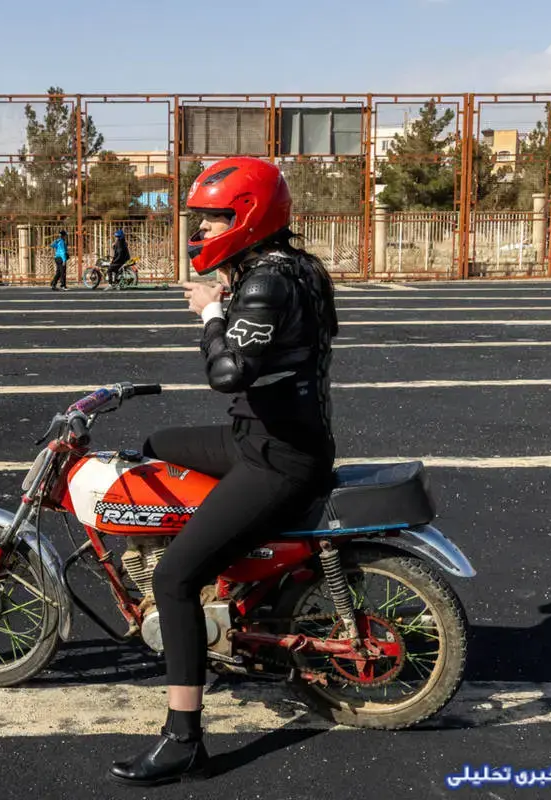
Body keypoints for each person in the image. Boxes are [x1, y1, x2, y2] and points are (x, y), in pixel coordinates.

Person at [109, 157, 339, 787]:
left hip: (277, 456)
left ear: (248, 217)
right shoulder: (294, 267)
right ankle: (224, 578)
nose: (202, 230)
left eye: (213, 218)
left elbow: (228, 373)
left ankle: (184, 739)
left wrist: (211, 313)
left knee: (175, 577)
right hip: (259, 439)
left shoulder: (266, 282)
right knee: (153, 444)